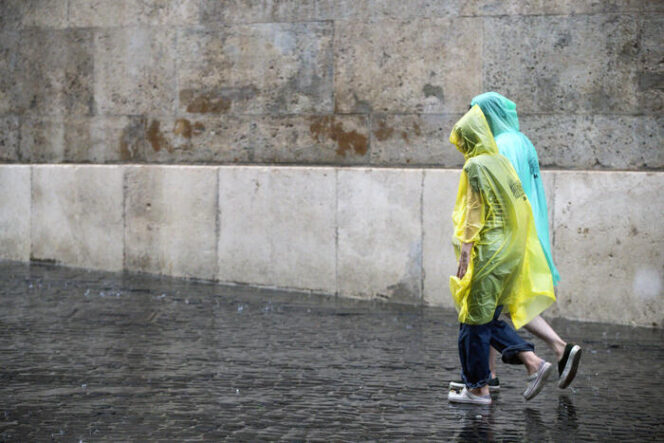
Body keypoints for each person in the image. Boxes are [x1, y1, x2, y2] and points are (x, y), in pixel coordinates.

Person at [470, 92, 582, 389]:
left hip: (504, 235)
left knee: (489, 306)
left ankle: (557, 348)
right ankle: (489, 374)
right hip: (522, 231)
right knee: (496, 304)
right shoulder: (522, 141)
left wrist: (481, 235)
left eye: (475, 114)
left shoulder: (500, 146)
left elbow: (497, 194)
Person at [447, 105, 557, 405]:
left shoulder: (476, 166)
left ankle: (478, 388)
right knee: (488, 317)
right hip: (511, 249)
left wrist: (467, 250)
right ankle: (532, 363)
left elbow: (473, 209)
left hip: (490, 251)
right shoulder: (501, 162)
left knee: (472, 319)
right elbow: (520, 203)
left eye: (462, 142)